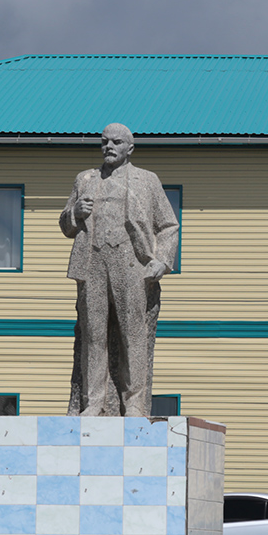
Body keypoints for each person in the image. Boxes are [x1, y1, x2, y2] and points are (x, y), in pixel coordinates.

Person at [60, 123, 179, 417]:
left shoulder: (147, 181)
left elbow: (169, 225)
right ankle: (94, 402)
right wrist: (74, 214)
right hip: (93, 263)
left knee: (133, 336)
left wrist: (162, 260)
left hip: (131, 263)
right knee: (93, 335)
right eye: (104, 142)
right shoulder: (85, 179)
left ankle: (134, 403)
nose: (108, 146)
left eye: (116, 142)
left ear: (130, 148)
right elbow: (65, 224)